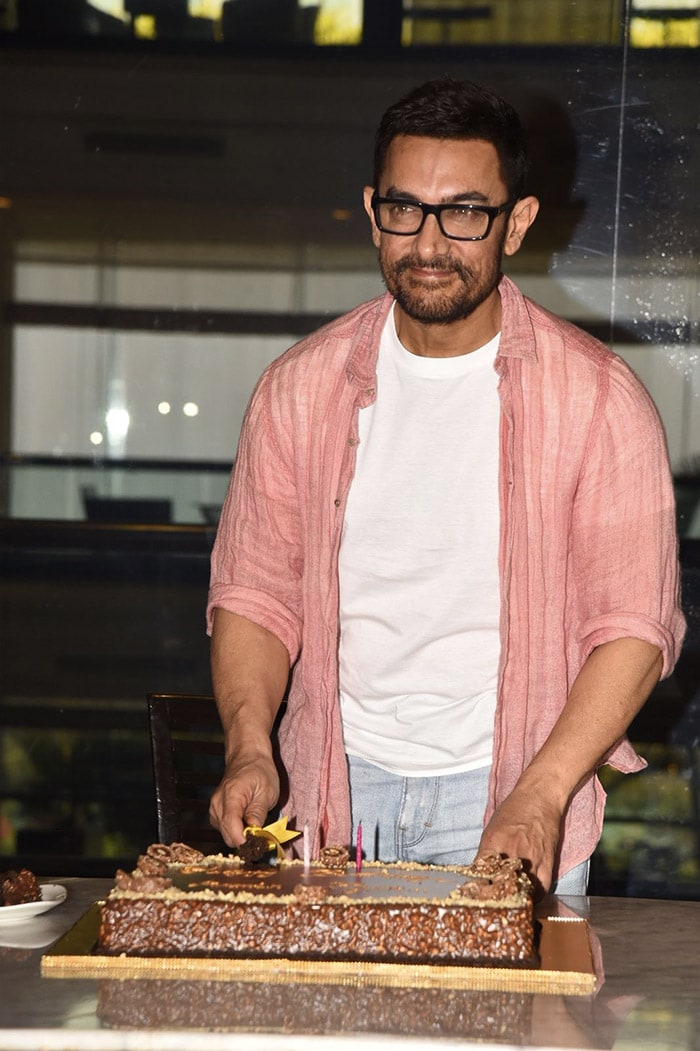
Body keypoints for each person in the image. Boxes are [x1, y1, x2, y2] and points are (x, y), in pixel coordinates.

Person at [207, 77, 685, 894]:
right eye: (405, 209)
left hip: (511, 797)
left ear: (518, 222)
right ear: (372, 211)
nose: (430, 242)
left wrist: (539, 794)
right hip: (330, 795)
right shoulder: (297, 389)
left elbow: (635, 630)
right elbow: (254, 594)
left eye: (465, 211)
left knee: (510, 1029)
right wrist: (251, 744)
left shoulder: (601, 400)